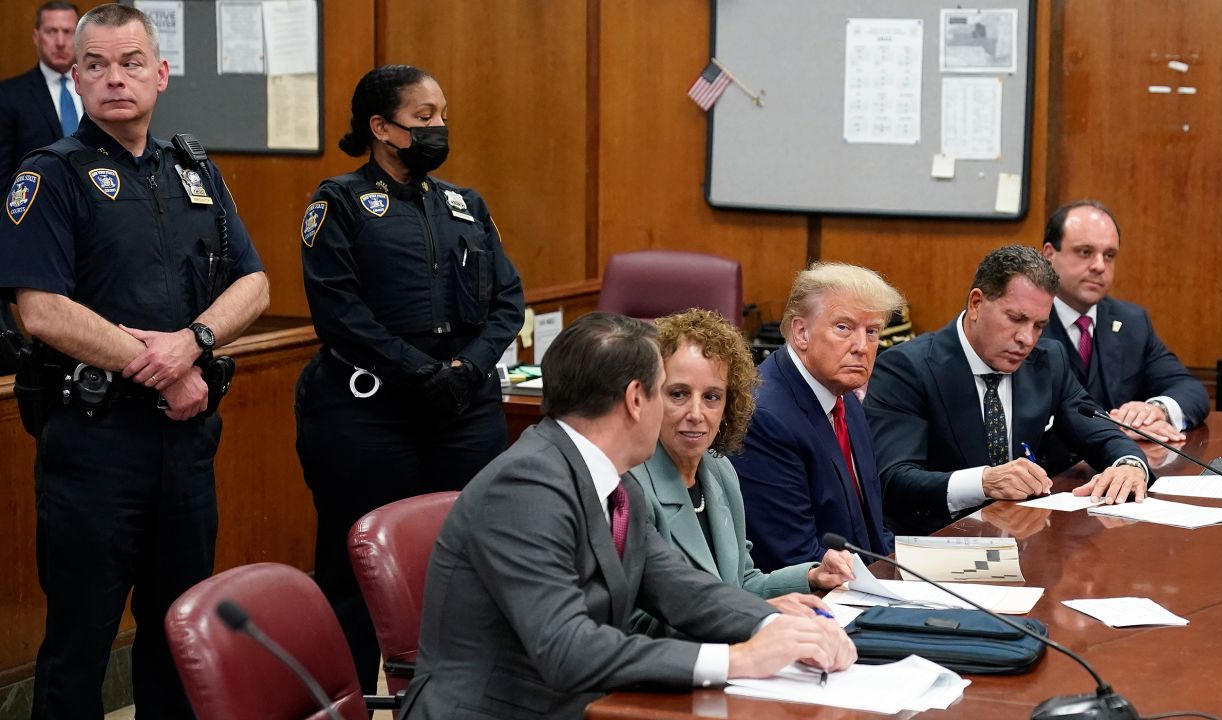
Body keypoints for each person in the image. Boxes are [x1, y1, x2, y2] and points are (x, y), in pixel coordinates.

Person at [0, 5, 269, 718]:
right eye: (95, 65)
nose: (114, 78)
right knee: (79, 646)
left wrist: (195, 343)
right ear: (76, 75)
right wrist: (164, 368)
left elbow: (254, 283)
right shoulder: (50, 174)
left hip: (184, 447)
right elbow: (41, 310)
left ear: (160, 72)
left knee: (181, 634)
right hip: (94, 444)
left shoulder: (194, 170)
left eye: (129, 63)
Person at [399, 313, 855, 720]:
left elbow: (681, 590)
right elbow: (568, 648)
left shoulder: (615, 485)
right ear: (637, 399)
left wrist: (780, 627)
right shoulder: (525, 487)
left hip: (591, 703)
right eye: (667, 392)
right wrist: (739, 660)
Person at [294, 64, 523, 694]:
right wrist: (420, 371)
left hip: (462, 411)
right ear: (380, 127)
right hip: (370, 417)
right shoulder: (337, 202)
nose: (439, 127)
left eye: (442, 115)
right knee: (355, 574)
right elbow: (339, 312)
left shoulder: (464, 203)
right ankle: (344, 706)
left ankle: (455, 703)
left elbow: (508, 299)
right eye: (424, 118)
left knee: (464, 569)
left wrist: (466, 369)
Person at [864, 245, 1147, 537]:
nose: (1027, 339)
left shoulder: (1048, 361)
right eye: (1015, 319)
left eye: (1039, 325)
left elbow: (1099, 432)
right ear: (976, 304)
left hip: (1025, 543)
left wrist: (1128, 465)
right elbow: (893, 481)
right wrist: (984, 482)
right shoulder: (907, 368)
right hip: (937, 545)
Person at [627, 309, 857, 638]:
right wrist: (758, 615)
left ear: (728, 405)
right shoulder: (631, 487)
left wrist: (812, 575)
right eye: (678, 394)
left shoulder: (719, 471)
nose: (696, 413)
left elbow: (741, 583)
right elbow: (635, 623)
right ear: (648, 397)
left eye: (711, 397)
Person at [731, 262, 903, 570]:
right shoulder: (765, 416)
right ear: (801, 333)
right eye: (844, 327)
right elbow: (791, 556)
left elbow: (871, 532)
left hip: (865, 582)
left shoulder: (845, 397)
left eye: (872, 331)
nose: (862, 347)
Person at [1039, 199, 1208, 448]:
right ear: (1049, 255)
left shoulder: (1131, 322)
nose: (1099, 266)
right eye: (1085, 252)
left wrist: (1153, 411)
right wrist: (1115, 428)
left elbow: (1190, 389)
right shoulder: (1022, 322)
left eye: (1109, 256)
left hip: (1126, 468)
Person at [0, 2, 81, 345]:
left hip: (97, 226)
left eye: (68, 32)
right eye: (52, 32)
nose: (61, 41)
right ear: (36, 36)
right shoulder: (9, 96)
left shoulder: (97, 92)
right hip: (38, 232)